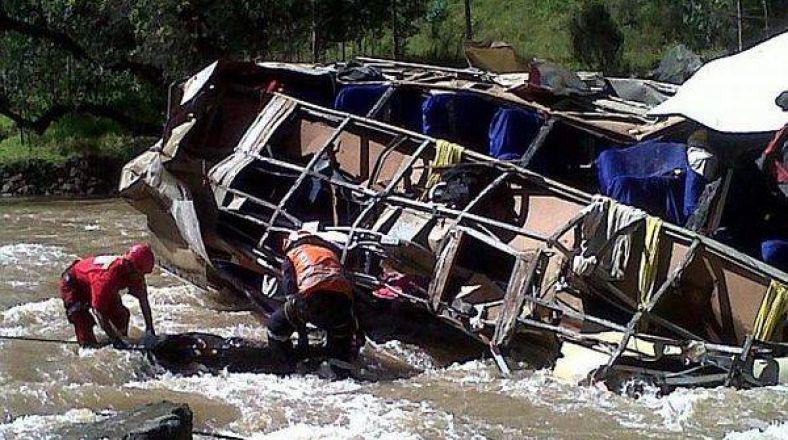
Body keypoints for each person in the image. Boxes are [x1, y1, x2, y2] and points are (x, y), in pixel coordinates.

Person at [266, 230, 357, 372]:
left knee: (275, 326)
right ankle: (340, 369)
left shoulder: (293, 254)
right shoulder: (329, 252)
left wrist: (301, 332)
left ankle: (286, 366)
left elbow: (290, 293)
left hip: (313, 300)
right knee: (341, 333)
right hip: (343, 304)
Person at [59, 243, 156, 347]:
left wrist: (150, 330)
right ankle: (89, 346)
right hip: (74, 284)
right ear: (130, 266)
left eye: (142, 274)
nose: (140, 277)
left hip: (93, 281)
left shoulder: (135, 273)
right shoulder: (108, 277)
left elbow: (143, 301)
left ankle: (119, 340)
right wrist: (115, 340)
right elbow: (99, 312)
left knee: (122, 315)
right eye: (139, 273)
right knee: (84, 323)